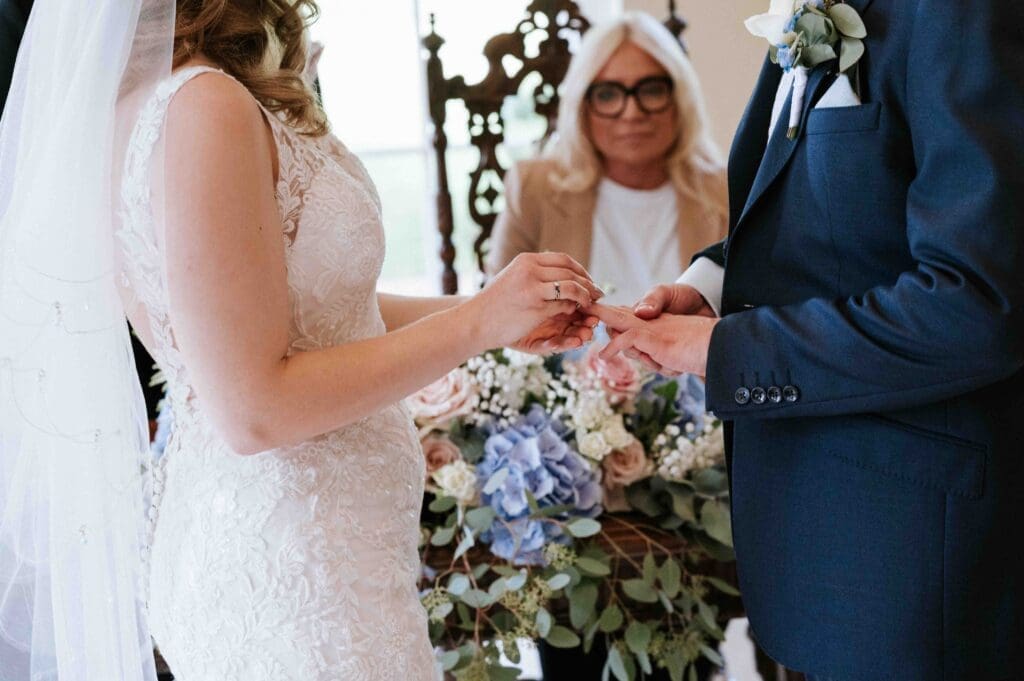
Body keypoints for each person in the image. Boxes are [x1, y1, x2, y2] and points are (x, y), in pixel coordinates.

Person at [0, 1, 603, 679]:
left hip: (317, 553)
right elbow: (255, 406)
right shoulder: (204, 106)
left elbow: (313, 309)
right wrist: (477, 324)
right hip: (295, 570)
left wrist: (496, 312)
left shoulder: (171, 97)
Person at [594, 0, 1024, 679]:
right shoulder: (806, 10)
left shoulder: (956, 13)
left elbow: (977, 300)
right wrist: (709, 283)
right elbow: (837, 230)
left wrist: (724, 350)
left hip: (911, 569)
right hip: (820, 554)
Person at [485, 12, 727, 306]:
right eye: (608, 94)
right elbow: (494, 314)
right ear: (581, 106)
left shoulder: (728, 193)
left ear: (680, 100)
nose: (632, 113)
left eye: (651, 90)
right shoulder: (532, 189)